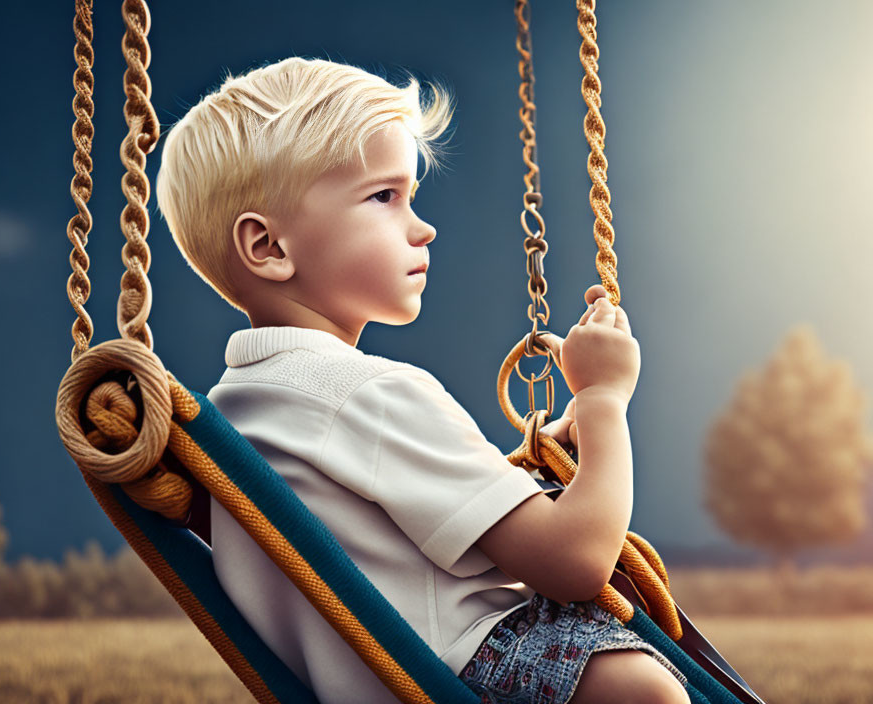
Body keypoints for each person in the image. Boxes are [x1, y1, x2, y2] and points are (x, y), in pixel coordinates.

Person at [155, 56, 690, 704]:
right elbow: (575, 561)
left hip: (373, 683)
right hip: (466, 672)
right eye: (384, 197)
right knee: (642, 690)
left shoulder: (236, 414)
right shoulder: (367, 393)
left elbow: (394, 540)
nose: (423, 227)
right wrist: (604, 400)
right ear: (269, 248)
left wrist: (523, 467)